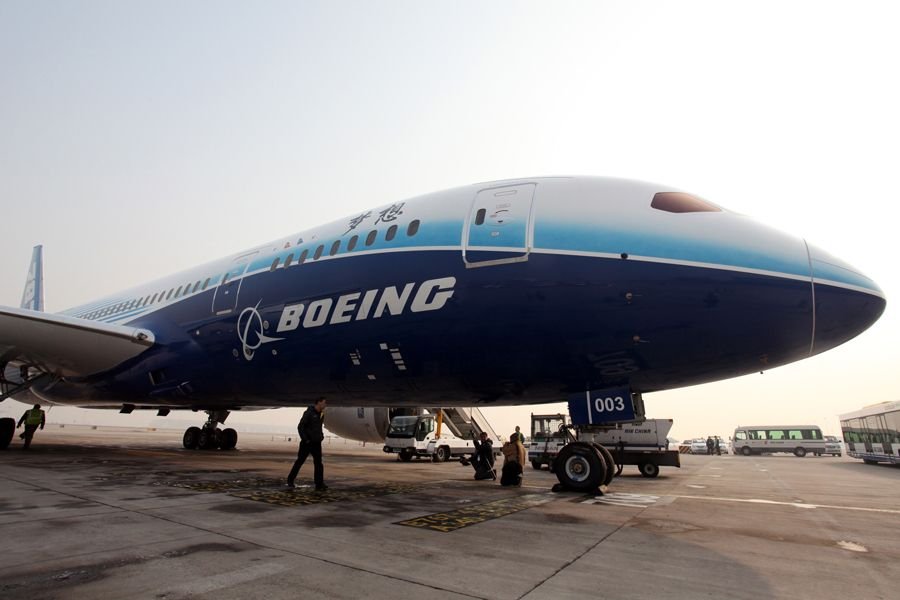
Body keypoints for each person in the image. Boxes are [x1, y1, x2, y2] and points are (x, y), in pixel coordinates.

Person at [286, 398, 327, 490]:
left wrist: (321, 436)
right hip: (307, 443)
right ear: (319, 402)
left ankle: (319, 483)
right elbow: (300, 427)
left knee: (318, 464)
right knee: (300, 462)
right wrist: (306, 439)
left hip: (317, 443)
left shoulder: (321, 414)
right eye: (324, 403)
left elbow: (319, 427)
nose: (325, 405)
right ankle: (290, 480)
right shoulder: (308, 413)